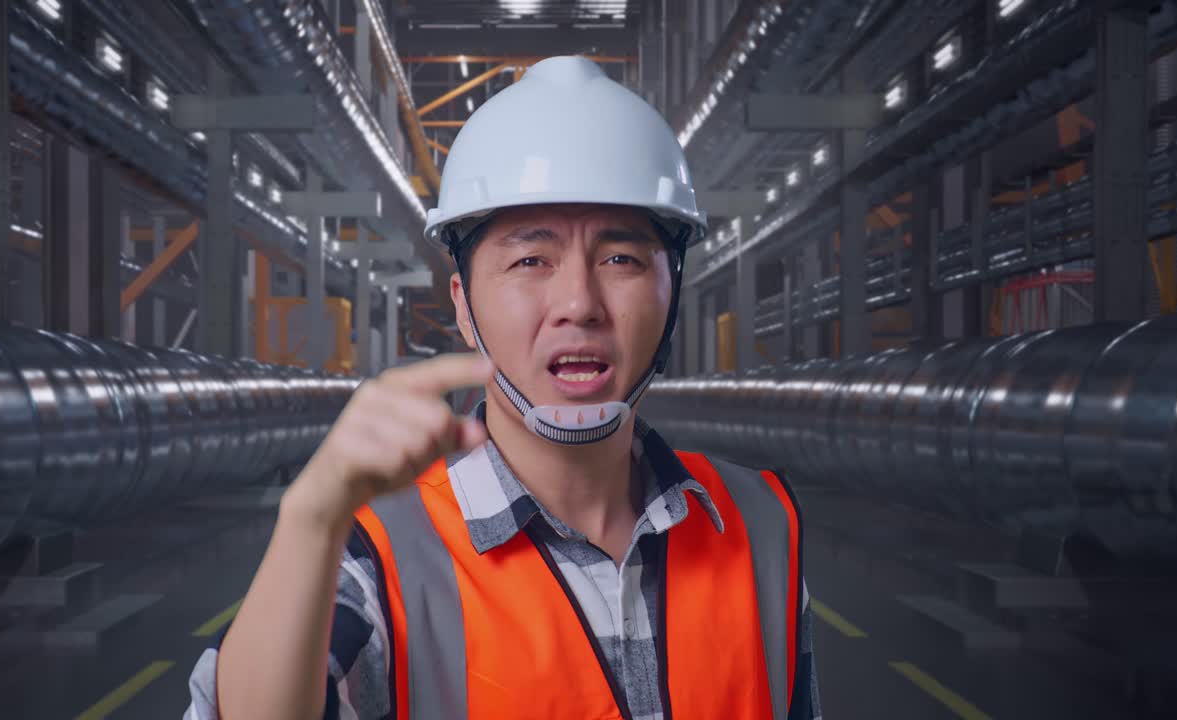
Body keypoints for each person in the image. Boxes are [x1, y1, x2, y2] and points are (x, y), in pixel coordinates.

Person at [185, 55, 820, 720]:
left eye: (621, 258)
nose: (579, 303)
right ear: (464, 306)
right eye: (530, 260)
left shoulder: (760, 523)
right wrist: (311, 518)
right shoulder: (378, 555)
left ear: (673, 290)